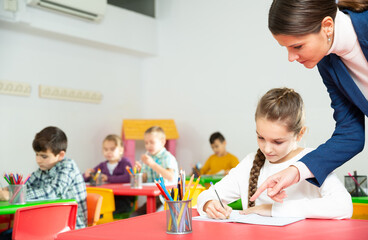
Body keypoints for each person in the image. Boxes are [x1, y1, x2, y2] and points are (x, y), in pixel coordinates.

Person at [251, 0, 368, 203]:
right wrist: (296, 171)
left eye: (297, 46)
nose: (290, 57)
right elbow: (351, 134)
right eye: (285, 48)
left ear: (327, 26)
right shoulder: (327, 62)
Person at [197, 88, 352, 220]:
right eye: (260, 137)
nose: (267, 149)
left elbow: (344, 206)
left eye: (277, 142)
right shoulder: (250, 163)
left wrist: (272, 209)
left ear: (300, 134)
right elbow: (207, 196)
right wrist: (209, 204)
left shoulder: (313, 161)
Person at [0, 126, 87, 232]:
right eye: (36, 155)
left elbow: (53, 192)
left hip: (70, 227)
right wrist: (8, 190)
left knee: (14, 234)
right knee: (8, 234)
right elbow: (27, 184)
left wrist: (13, 195)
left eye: (43, 156)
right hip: (47, 223)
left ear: (61, 155)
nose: (38, 160)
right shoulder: (44, 169)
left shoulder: (68, 166)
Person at [83, 134, 135, 217]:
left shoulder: (125, 163)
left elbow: (128, 177)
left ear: (121, 150)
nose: (108, 152)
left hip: (123, 201)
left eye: (112, 149)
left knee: (101, 212)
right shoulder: (102, 166)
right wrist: (86, 175)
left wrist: (108, 178)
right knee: (92, 208)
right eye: (106, 149)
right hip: (106, 201)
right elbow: (85, 178)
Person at [132, 126, 179, 216]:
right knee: (134, 215)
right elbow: (145, 179)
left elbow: (170, 176)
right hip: (154, 198)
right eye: (146, 143)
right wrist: (139, 172)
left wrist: (152, 164)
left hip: (168, 199)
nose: (148, 146)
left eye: (152, 142)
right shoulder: (148, 158)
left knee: (155, 217)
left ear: (162, 142)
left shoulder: (167, 157)